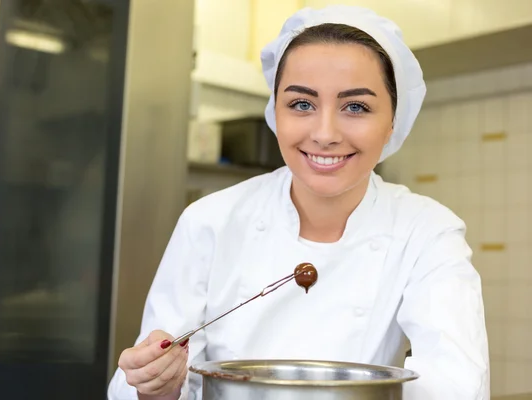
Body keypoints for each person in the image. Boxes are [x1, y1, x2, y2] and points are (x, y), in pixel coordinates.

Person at [108, 5, 490, 400]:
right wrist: (156, 385)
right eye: (302, 104)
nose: (325, 134)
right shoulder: (211, 221)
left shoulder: (426, 232)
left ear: (393, 120)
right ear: (276, 111)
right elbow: (138, 382)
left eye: (355, 106)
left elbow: (455, 385)